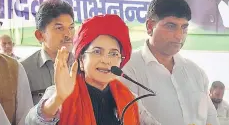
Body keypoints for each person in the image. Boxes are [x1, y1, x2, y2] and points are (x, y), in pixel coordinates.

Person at [25, 14, 160, 125]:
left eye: (113, 54)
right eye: (97, 51)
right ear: (82, 61)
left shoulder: (129, 97)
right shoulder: (60, 92)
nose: (106, 60)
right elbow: (30, 122)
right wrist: (58, 99)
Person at [121, 0, 220, 125]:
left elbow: (211, 119)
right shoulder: (127, 69)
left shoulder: (196, 73)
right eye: (171, 26)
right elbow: (131, 119)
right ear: (150, 26)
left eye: (184, 27)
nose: (179, 35)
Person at [20, 0, 75, 105]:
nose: (68, 34)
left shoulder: (83, 65)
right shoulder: (22, 69)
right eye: (59, 28)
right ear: (40, 35)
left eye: (71, 27)